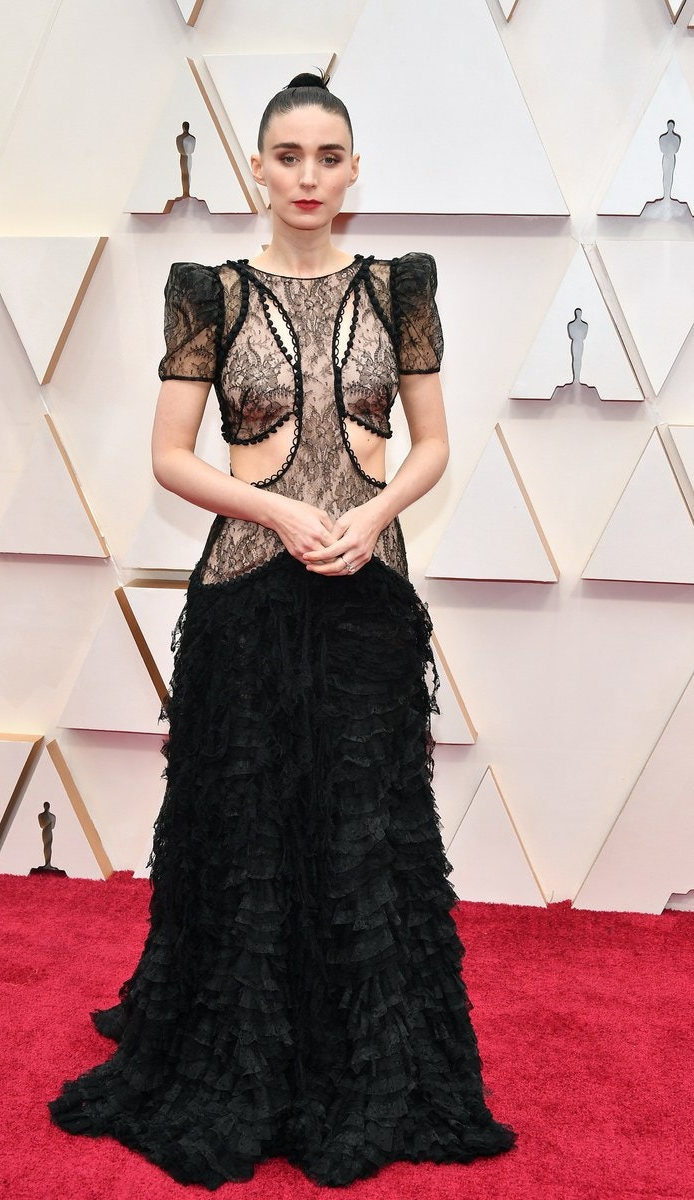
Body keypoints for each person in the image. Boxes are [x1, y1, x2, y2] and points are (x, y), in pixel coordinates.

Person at [48, 71, 516, 1189]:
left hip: (365, 593)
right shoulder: (206, 292)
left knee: (364, 828)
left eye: (328, 157)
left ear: (354, 172)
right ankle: (243, 1053)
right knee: (247, 828)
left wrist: (372, 517)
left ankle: (363, 1059)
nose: (308, 176)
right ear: (256, 169)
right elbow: (170, 457)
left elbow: (432, 444)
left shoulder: (400, 287)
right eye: (289, 156)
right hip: (245, 597)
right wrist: (275, 510)